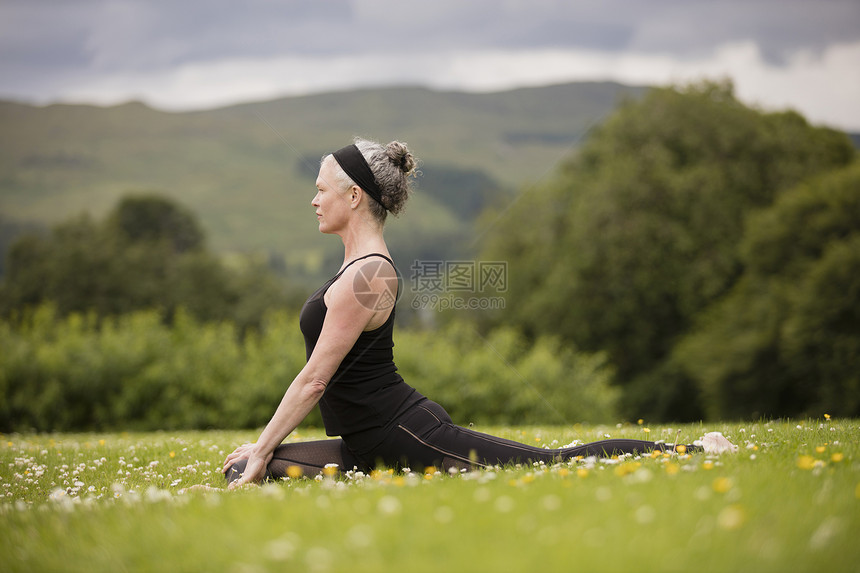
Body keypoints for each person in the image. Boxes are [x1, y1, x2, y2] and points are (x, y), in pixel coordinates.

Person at [222, 137, 735, 487]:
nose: (313, 199)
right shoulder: (354, 264)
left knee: (547, 464)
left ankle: (695, 452)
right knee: (246, 469)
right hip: (362, 442)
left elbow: (314, 380)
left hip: (405, 433)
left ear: (354, 196)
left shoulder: (369, 274)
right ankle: (270, 458)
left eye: (320, 189)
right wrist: (261, 450)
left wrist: (266, 443)